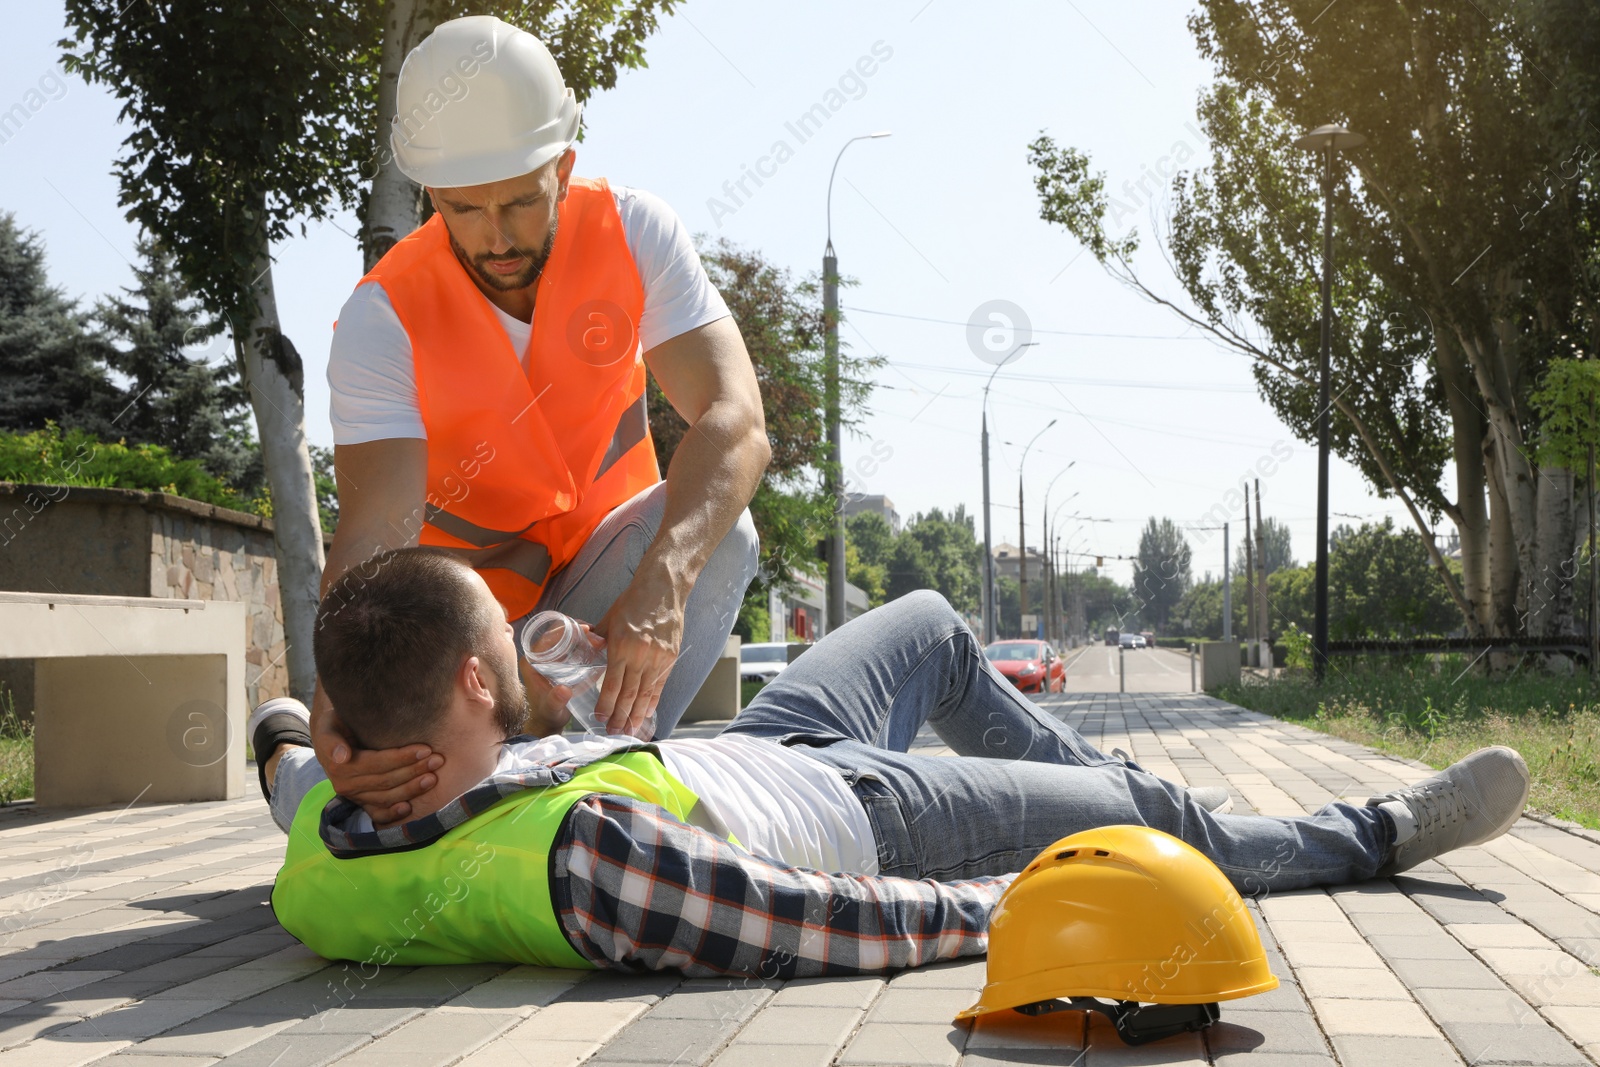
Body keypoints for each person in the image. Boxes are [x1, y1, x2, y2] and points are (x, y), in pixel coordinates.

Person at [258, 547, 1532, 979]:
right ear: (476, 683)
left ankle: (1078, 781)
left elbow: (282, 758)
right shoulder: (593, 857)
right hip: (870, 816)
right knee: (1140, 809)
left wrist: (296, 725)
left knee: (925, 619)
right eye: (501, 636)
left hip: (749, 749)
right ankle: (1373, 830)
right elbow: (826, 923)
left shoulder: (334, 827)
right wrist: (1044, 891)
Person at [317, 14, 768, 827]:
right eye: (463, 210)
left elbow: (737, 420)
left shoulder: (635, 231)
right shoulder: (384, 317)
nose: (496, 238)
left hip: (610, 593)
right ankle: (292, 749)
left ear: (562, 164)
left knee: (724, 533)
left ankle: (614, 791)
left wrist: (661, 586)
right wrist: (333, 695)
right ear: (430, 197)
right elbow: (371, 534)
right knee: (380, 798)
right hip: (474, 645)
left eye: (521, 202)